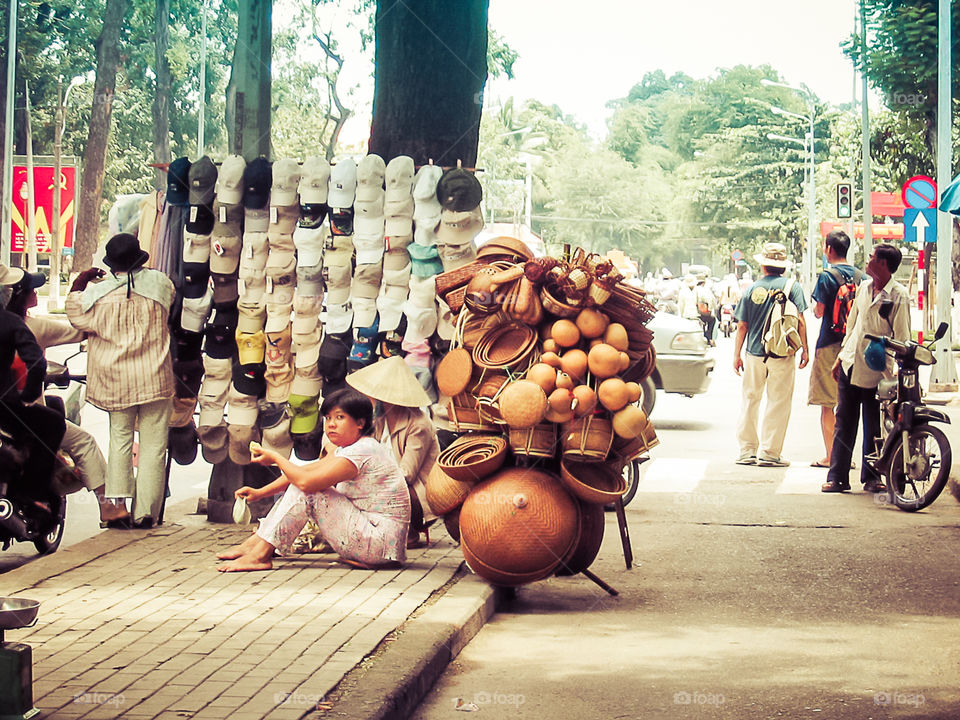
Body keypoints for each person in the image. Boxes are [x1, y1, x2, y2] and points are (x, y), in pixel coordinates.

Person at [217, 389, 411, 571]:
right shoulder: (350, 448)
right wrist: (260, 493)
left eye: (340, 418)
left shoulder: (362, 450)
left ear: (360, 423)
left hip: (379, 545)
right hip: (374, 542)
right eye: (328, 418)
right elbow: (306, 470)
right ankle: (255, 545)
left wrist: (276, 458)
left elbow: (305, 483)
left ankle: (260, 556)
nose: (331, 424)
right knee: (302, 484)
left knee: (306, 490)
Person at [65, 233, 175, 529]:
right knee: (154, 446)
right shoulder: (161, 284)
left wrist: (81, 281)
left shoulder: (96, 296)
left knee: (120, 440)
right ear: (139, 258)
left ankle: (118, 508)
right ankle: (145, 514)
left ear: (111, 264)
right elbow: (170, 299)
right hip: (155, 378)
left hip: (116, 381)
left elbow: (75, 313)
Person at [1, 267, 124, 525]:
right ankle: (107, 508)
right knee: (81, 440)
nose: (34, 292)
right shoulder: (28, 325)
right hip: (14, 412)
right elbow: (79, 331)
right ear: (17, 295)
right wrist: (79, 289)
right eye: (31, 289)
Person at [822, 243, 910, 494]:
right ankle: (837, 476)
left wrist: (896, 371)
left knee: (873, 425)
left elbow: (902, 337)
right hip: (851, 362)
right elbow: (853, 326)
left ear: (882, 264)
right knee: (844, 421)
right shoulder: (864, 288)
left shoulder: (899, 295)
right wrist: (841, 357)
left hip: (877, 369)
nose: (868, 260)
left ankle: (871, 477)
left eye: (872, 257)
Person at [346, 355, 439, 548]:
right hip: (387, 485)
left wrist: (370, 481)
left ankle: (406, 532)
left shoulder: (418, 424)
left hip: (415, 495)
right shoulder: (379, 420)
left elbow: (407, 474)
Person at [733, 243, 809, 467]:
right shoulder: (793, 288)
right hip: (782, 354)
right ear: (783, 266)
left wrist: (736, 355)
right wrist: (805, 348)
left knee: (750, 399)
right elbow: (801, 322)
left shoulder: (751, 289)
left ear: (763, 265)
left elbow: (742, 326)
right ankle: (769, 452)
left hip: (754, 354)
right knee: (778, 402)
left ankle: (747, 450)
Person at [0, 265, 65, 507]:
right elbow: (36, 364)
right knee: (53, 424)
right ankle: (31, 494)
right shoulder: (11, 322)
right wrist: (28, 396)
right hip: (6, 406)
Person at [808, 231, 862, 468]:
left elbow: (819, 311)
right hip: (855, 345)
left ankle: (832, 457)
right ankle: (846, 457)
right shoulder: (863, 277)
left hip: (830, 343)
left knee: (827, 403)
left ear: (829, 248)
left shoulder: (827, 277)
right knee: (849, 405)